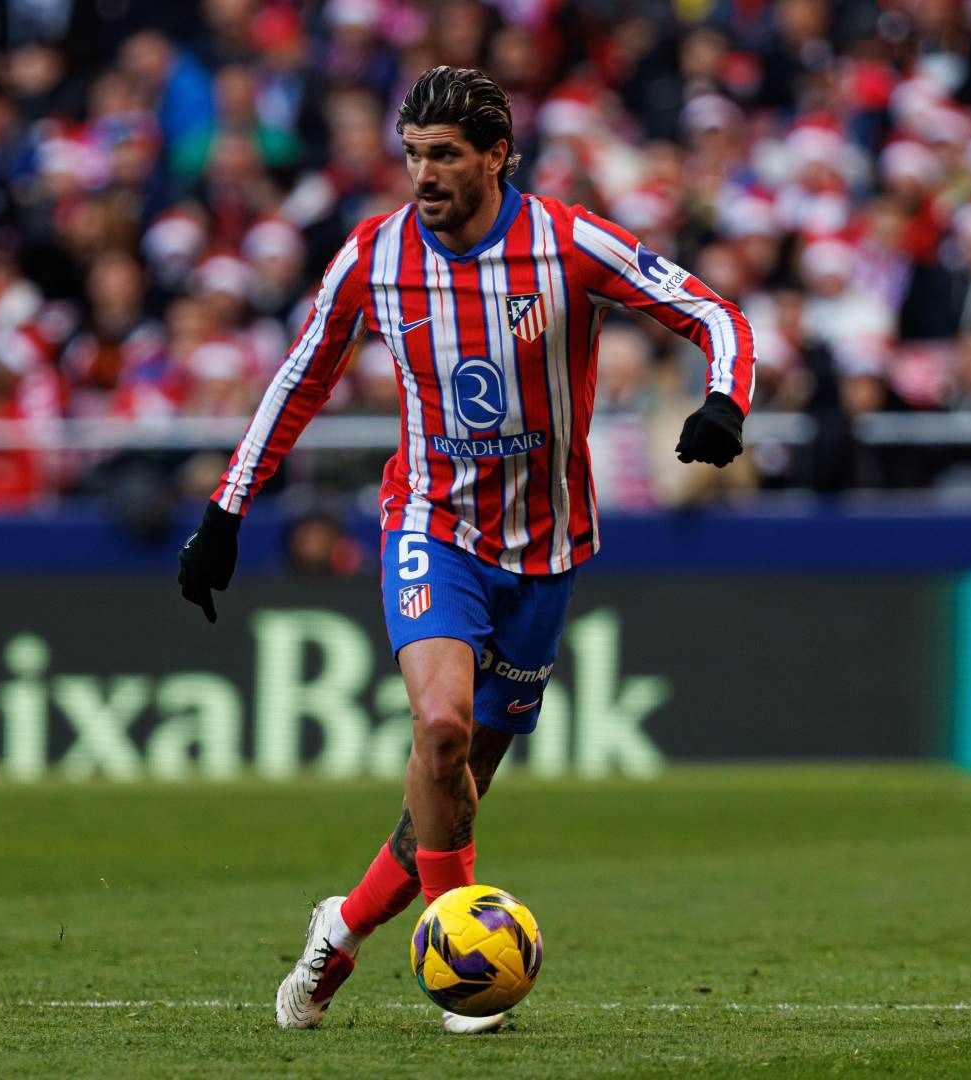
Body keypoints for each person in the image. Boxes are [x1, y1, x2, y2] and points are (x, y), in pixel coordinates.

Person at [174, 67, 755, 1034]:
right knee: (439, 728)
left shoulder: (569, 242)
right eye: (412, 155)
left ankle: (343, 927)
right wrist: (225, 513)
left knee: (453, 795)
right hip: (431, 523)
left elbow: (715, 315)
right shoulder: (375, 255)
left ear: (497, 156)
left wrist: (725, 400)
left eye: (443, 155)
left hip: (546, 547)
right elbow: (298, 380)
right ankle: (461, 958)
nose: (424, 174)